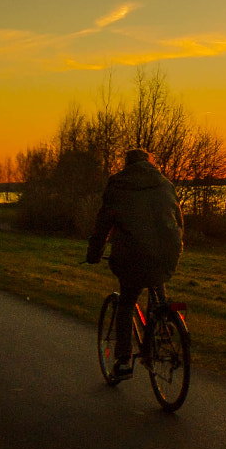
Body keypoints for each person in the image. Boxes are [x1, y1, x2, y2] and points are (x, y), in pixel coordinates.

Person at [86, 148, 183, 380]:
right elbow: (178, 219)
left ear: (126, 164)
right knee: (157, 282)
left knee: (127, 302)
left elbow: (103, 224)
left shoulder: (118, 185)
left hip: (132, 256)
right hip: (166, 252)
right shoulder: (165, 184)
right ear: (150, 162)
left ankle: (122, 361)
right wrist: (177, 247)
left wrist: (94, 252)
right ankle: (162, 325)